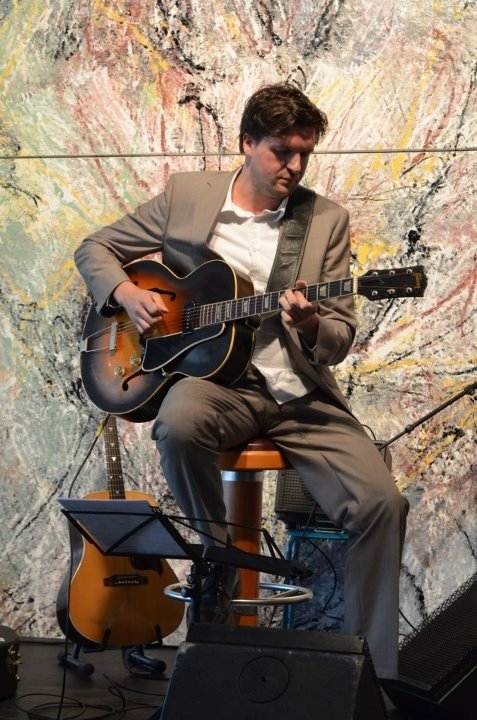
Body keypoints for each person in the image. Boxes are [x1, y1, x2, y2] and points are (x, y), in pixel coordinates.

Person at [74, 82, 409, 681]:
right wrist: (124, 291)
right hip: (218, 385)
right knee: (178, 422)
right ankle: (219, 560)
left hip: (296, 392)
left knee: (382, 505)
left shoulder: (325, 221)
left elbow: (339, 336)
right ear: (247, 143)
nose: (295, 166)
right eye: (282, 151)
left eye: (305, 153)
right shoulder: (188, 195)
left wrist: (310, 325)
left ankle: (371, 680)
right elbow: (95, 247)